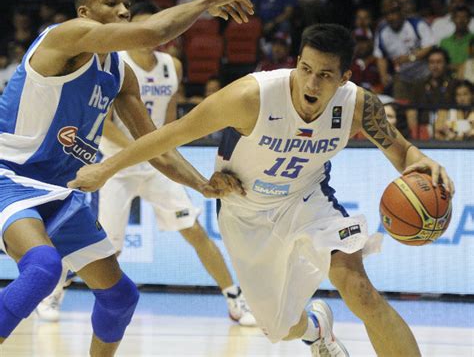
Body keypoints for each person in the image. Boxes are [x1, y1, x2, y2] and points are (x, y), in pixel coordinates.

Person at [70, 23, 454, 356]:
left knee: (359, 289)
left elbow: (402, 152)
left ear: (344, 78)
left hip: (307, 201)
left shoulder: (356, 106)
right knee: (280, 328)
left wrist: (421, 162)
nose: (311, 82)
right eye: (305, 68)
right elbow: (166, 136)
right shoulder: (250, 97)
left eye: (324, 74)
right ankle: (316, 330)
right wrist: (106, 169)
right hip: (244, 212)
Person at [0, 0, 253, 356]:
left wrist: (202, 184)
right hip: (10, 177)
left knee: (120, 298)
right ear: (84, 11)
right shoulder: (64, 37)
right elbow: (153, 33)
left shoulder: (120, 74)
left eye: (127, 5)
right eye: (112, 3)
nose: (122, 10)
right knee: (43, 269)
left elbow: (157, 147)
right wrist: (204, 3)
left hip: (62, 191)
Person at [98, 2, 255, 326]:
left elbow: (169, 126)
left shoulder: (173, 66)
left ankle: (234, 299)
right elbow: (104, 122)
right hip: (118, 163)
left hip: (156, 162)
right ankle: (56, 292)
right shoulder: (116, 63)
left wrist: (160, 153)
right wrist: (140, 149)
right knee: (105, 250)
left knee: (194, 231)